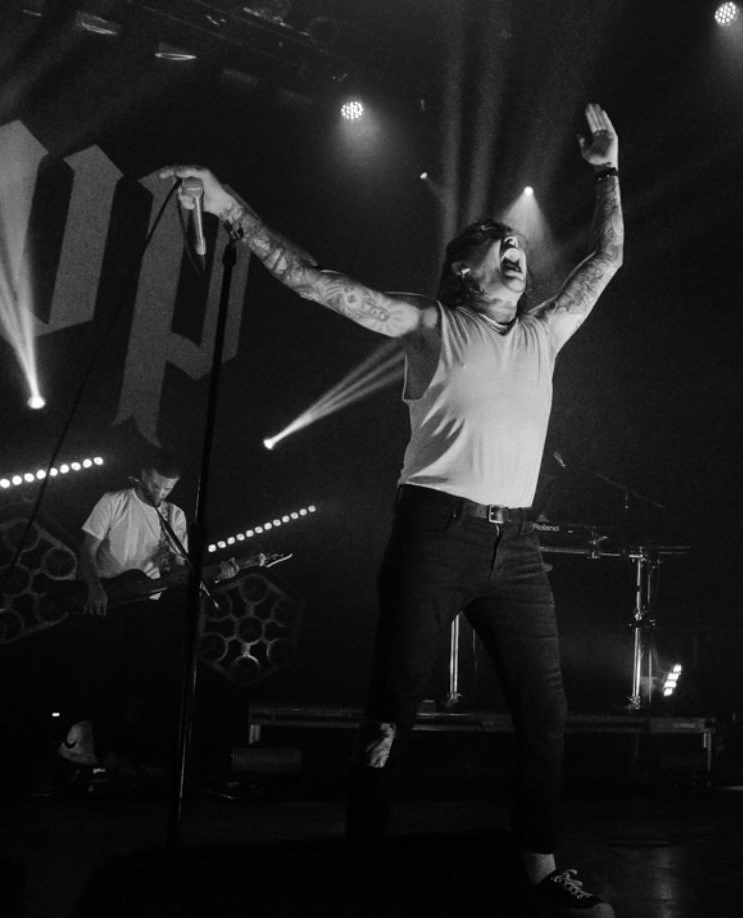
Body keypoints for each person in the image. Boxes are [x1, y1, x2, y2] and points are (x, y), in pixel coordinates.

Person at [160, 102, 622, 917]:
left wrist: (607, 171)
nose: (514, 247)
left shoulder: (544, 332)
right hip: (435, 533)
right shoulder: (429, 323)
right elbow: (314, 280)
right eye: (495, 244)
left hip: (516, 547)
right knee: (391, 711)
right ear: (462, 270)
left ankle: (541, 865)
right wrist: (228, 205)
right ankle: (362, 866)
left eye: (516, 243)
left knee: (546, 714)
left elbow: (606, 257)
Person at [59, 453, 239, 771]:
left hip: (147, 603)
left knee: (138, 678)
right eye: (156, 485)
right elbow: (87, 549)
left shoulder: (173, 515)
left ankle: (120, 753)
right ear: (143, 475)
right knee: (103, 673)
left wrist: (209, 574)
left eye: (167, 489)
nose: (160, 493)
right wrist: (95, 588)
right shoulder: (114, 501)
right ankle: (81, 742)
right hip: (108, 599)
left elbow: (179, 568)